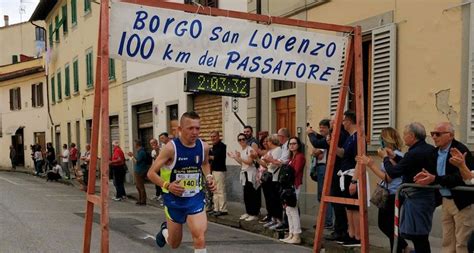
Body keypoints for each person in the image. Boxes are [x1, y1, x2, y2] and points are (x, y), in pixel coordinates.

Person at [147, 111, 216, 252]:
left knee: (199, 236)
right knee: (174, 243)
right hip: (174, 199)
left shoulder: (204, 146)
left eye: (197, 128)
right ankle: (165, 231)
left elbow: (204, 163)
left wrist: (209, 177)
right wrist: (167, 185)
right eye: (190, 128)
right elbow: (151, 173)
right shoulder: (170, 149)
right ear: (180, 129)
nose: (195, 132)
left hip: (195, 197)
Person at [413, 122, 474, 252]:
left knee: (462, 242)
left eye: (438, 134)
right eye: (432, 134)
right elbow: (432, 174)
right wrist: (426, 178)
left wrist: (435, 178)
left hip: (462, 202)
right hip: (445, 200)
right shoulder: (434, 153)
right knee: (447, 241)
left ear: (450, 135)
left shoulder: (460, 150)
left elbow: (460, 178)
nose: (434, 137)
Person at [383, 122, 436, 253]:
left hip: (417, 196)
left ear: (412, 136)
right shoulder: (429, 149)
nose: (403, 137)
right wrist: (394, 156)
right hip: (427, 196)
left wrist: (385, 159)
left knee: (418, 235)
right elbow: (409, 165)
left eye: (405, 134)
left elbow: (393, 172)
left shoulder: (414, 153)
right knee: (419, 234)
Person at [356, 127, 409, 253]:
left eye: (381, 138)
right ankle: (398, 248)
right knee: (389, 225)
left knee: (386, 225)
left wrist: (370, 164)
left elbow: (389, 177)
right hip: (389, 193)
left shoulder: (394, 157)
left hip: (394, 194)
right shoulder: (395, 155)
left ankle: (404, 246)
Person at [307, 117, 349, 241]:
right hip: (336, 171)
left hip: (337, 172)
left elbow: (319, 143)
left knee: (337, 203)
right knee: (336, 203)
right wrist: (315, 134)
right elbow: (324, 140)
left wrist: (310, 135)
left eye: (333, 121)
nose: (331, 123)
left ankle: (340, 230)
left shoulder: (339, 134)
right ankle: (339, 229)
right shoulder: (340, 134)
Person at [335, 111, 360, 247]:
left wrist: (354, 181)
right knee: (348, 207)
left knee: (354, 207)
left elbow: (359, 160)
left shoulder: (357, 137)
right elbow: (343, 154)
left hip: (352, 175)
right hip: (345, 174)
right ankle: (351, 234)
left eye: (344, 121)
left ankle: (358, 236)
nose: (342, 123)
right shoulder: (349, 138)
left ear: (349, 121)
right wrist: (333, 146)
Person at [308, 119, 334, 229]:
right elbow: (314, 151)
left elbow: (316, 151)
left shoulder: (329, 139)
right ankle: (325, 220)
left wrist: (310, 135)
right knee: (321, 196)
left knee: (324, 195)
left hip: (324, 168)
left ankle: (327, 222)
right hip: (320, 168)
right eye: (320, 127)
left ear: (329, 128)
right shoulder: (324, 138)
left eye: (324, 127)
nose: (321, 129)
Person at [280, 137, 305, 244]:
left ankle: (297, 235)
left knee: (293, 210)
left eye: (294, 143)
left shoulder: (300, 157)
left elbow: (295, 171)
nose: (292, 145)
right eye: (290, 144)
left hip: (295, 185)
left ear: (298, 145)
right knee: (288, 210)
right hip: (288, 186)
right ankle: (291, 233)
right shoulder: (291, 157)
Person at [228, 133, 259, 221]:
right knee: (246, 194)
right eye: (240, 140)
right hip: (244, 173)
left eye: (243, 139)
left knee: (252, 194)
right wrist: (235, 157)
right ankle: (248, 212)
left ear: (246, 140)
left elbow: (249, 162)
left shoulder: (250, 149)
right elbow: (242, 163)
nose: (241, 141)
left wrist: (239, 157)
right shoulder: (242, 150)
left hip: (250, 173)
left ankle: (254, 213)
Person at [257, 134, 284, 230]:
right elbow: (266, 163)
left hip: (274, 177)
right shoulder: (271, 151)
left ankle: (279, 220)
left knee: (275, 200)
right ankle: (273, 218)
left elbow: (274, 164)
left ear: (272, 141)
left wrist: (268, 161)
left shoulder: (278, 150)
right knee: (270, 200)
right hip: (269, 177)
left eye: (268, 141)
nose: (266, 143)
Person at [209, 131, 228, 217]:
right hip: (213, 170)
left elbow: (215, 157)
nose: (213, 138)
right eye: (211, 137)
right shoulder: (213, 146)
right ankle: (216, 208)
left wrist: (207, 156)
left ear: (218, 136)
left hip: (220, 170)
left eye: (214, 136)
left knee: (220, 190)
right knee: (214, 190)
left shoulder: (222, 146)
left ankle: (223, 209)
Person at [128, 140, 148, 205]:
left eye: (134, 144)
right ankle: (140, 199)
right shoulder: (139, 151)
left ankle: (143, 200)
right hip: (138, 170)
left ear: (137, 144)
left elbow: (137, 161)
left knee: (140, 186)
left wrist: (132, 156)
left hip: (140, 170)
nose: (134, 145)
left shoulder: (141, 152)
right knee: (138, 186)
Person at [150, 138, 163, 202]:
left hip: (161, 168)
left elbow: (158, 159)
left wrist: (157, 151)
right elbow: (154, 160)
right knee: (155, 181)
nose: (152, 145)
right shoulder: (152, 151)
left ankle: (161, 194)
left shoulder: (161, 150)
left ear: (156, 143)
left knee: (160, 181)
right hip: (155, 168)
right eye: (151, 144)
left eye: (153, 143)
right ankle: (157, 194)